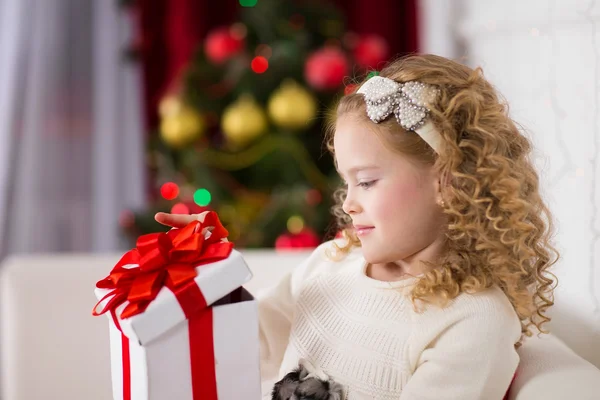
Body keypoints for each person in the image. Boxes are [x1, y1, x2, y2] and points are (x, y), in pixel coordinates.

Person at [154, 54, 559, 400]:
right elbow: (247, 347)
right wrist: (212, 272)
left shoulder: (473, 320)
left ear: (448, 182)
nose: (348, 203)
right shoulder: (331, 262)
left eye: (365, 181)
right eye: (346, 182)